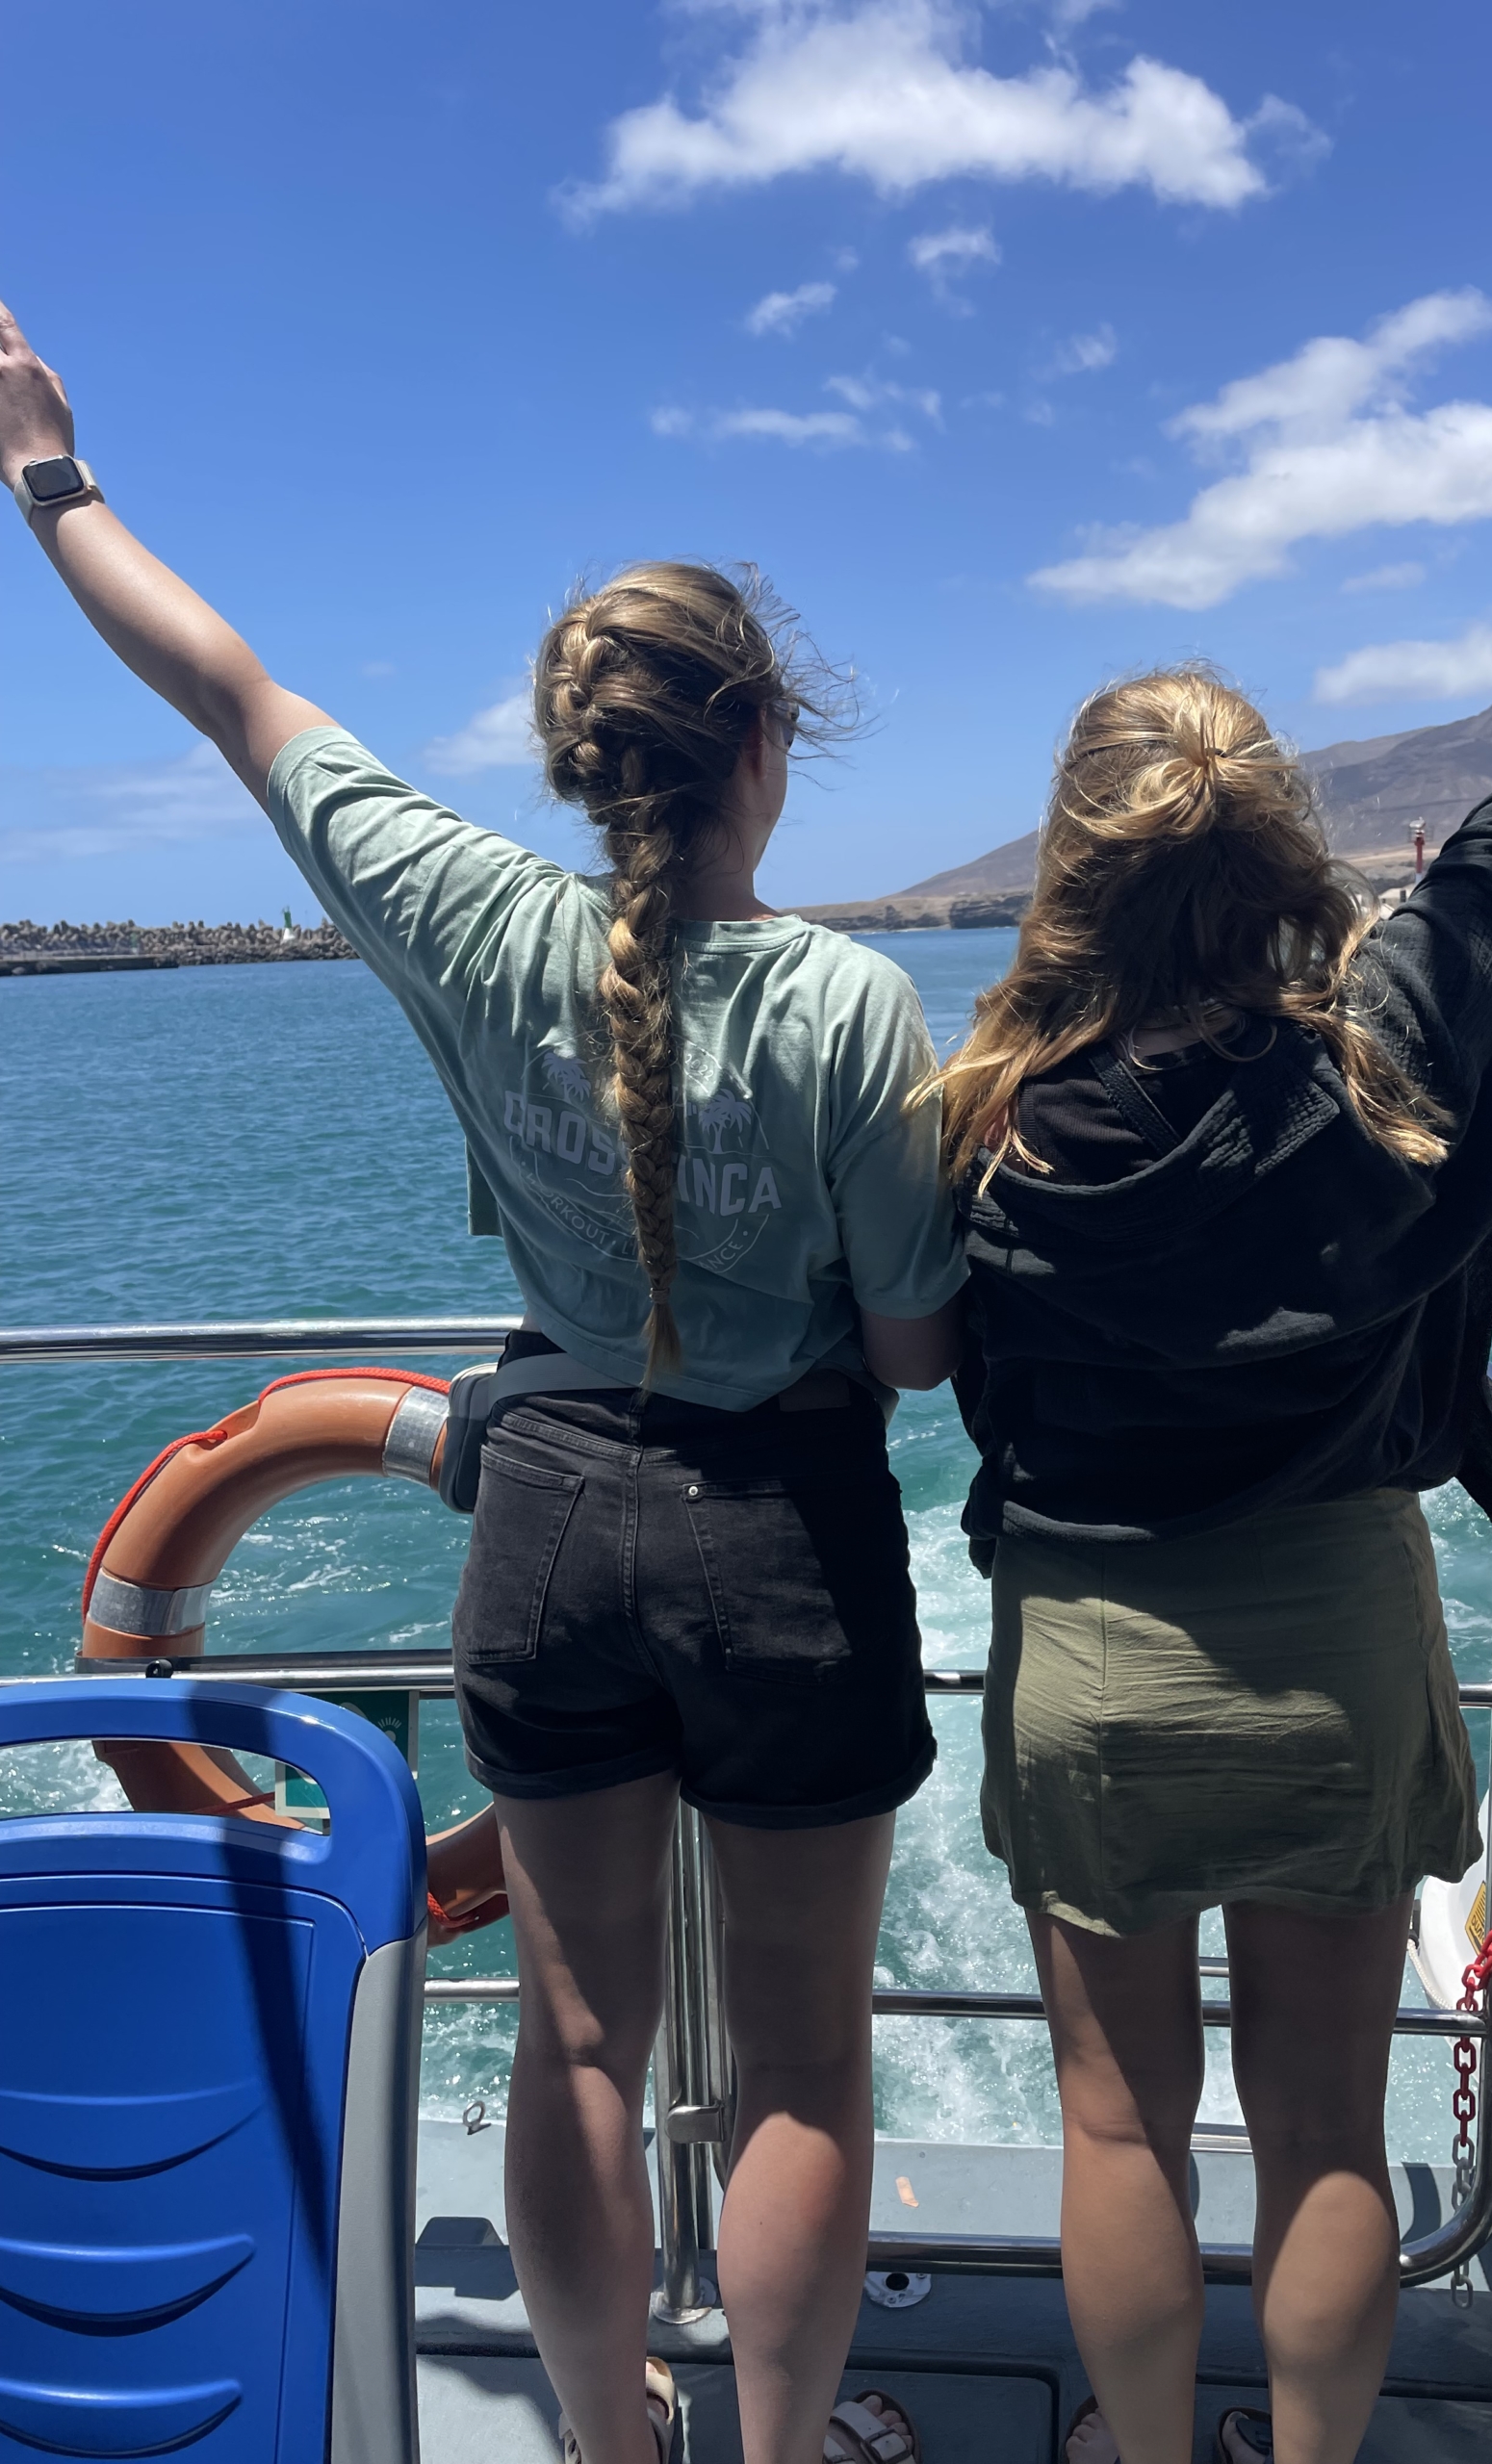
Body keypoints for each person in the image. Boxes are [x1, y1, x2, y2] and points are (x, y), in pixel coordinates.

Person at [0, 295, 966, 2464]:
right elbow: (915, 1347)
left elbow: (229, 692)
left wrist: (45, 475)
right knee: (810, 2059)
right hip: (787, 1538)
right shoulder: (850, 1003)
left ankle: (605, 2444)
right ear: (762, 749)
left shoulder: (470, 918)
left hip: (544, 1525)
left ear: (574, 760)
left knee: (575, 2041)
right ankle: (789, 2449)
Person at [932, 331, 1492, 2464]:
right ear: (1282, 851)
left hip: (1086, 1656)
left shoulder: (979, 1117)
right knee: (1327, 2129)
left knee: (1117, 2123)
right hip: (1339, 1644)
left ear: (1073, 868)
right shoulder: (1402, 1059)